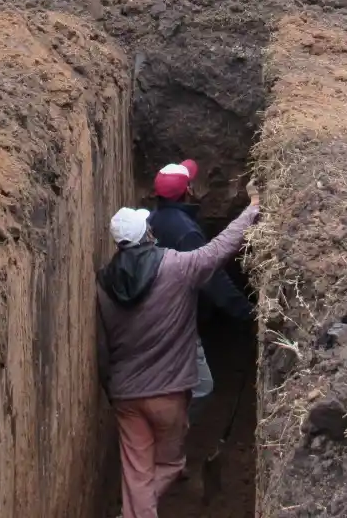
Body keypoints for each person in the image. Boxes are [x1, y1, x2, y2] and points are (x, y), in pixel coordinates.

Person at [97, 193, 261, 518]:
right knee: (171, 464)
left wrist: (109, 388)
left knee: (136, 475)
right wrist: (252, 210)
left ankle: (134, 511)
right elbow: (219, 250)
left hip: (126, 396)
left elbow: (102, 348)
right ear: (147, 235)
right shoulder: (176, 266)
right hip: (169, 393)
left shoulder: (103, 283)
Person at [146, 160, 254, 423]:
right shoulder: (186, 232)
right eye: (191, 181)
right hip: (175, 320)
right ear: (187, 191)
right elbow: (212, 279)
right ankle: (172, 429)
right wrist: (248, 314)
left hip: (151, 315)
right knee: (201, 388)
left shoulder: (152, 219)